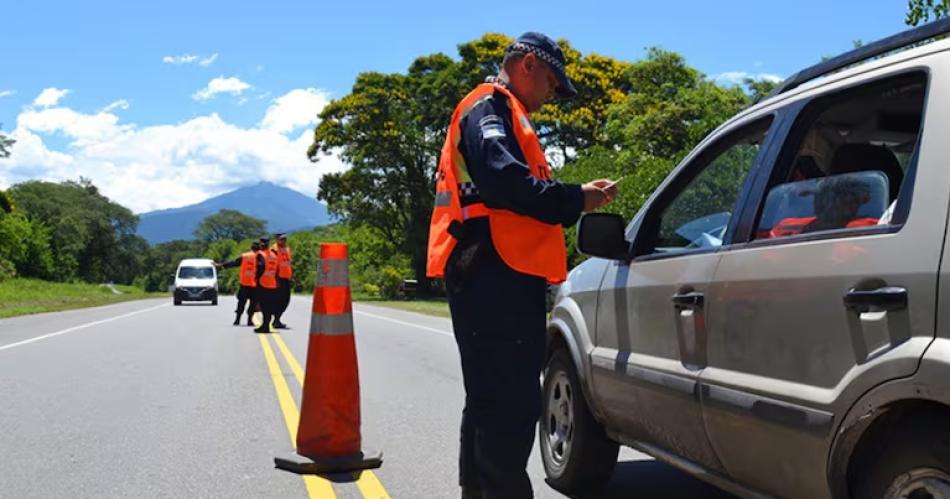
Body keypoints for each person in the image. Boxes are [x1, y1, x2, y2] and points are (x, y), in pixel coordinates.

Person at [426, 32, 617, 499]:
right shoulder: (489, 106)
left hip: (496, 272)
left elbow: (512, 185)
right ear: (528, 64)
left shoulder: (503, 112)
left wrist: (573, 193)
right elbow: (505, 182)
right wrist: (577, 198)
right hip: (493, 272)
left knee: (491, 403)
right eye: (553, 81)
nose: (553, 94)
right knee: (509, 406)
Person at [215, 241, 261, 326]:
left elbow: (234, 263)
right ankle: (249, 321)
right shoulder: (260, 257)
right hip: (255, 284)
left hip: (244, 284)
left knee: (241, 303)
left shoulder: (245, 256)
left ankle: (237, 320)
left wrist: (222, 265)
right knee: (253, 303)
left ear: (251, 248)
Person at [254, 236, 279, 334]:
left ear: (261, 244)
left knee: (264, 307)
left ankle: (265, 326)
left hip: (263, 283)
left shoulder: (260, 254)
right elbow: (277, 269)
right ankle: (265, 325)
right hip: (272, 283)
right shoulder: (274, 254)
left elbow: (261, 267)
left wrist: (257, 278)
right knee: (269, 306)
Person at [272, 233, 293, 329]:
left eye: (285, 239)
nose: (284, 241)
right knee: (279, 300)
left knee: (286, 300)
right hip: (278, 278)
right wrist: (275, 279)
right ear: (276, 239)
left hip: (286, 278)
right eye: (281, 239)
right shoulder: (274, 250)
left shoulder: (287, 249)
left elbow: (288, 263)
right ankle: (276, 320)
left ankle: (277, 319)